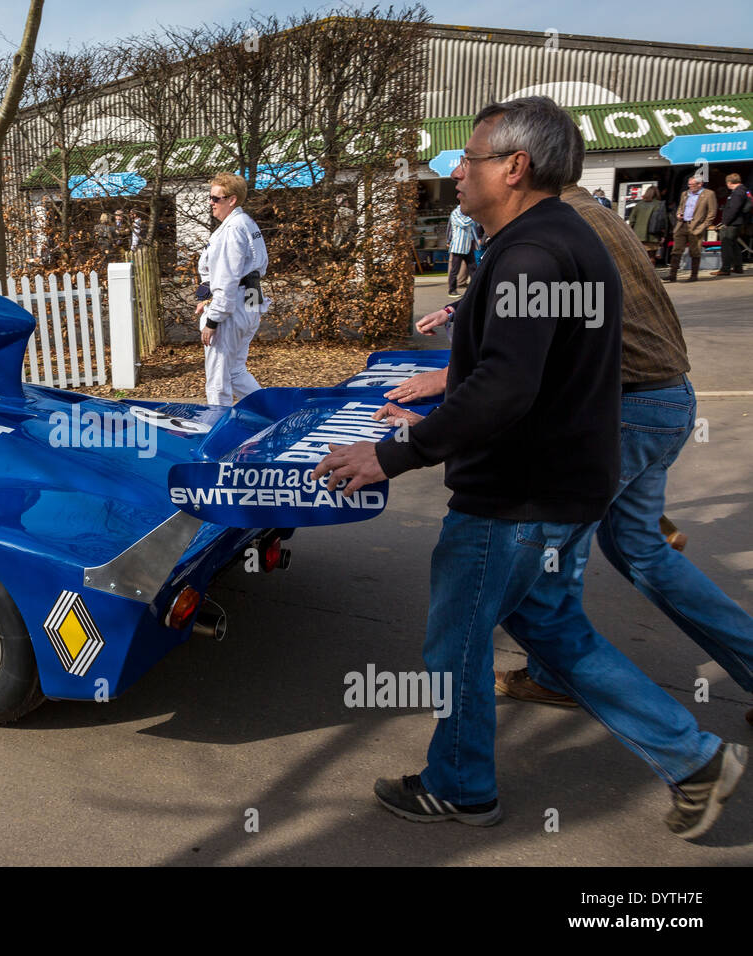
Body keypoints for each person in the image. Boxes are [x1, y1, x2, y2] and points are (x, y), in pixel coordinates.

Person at [318, 96, 745, 839]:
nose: (456, 171)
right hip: (561, 484)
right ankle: (693, 757)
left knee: (455, 639)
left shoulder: (530, 253)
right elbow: (523, 367)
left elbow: (506, 386)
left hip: (515, 497)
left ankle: (460, 786)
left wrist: (396, 453)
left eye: (471, 158)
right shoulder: (557, 239)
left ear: (514, 167)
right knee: (553, 627)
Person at [197, 172, 269, 406]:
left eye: (216, 198)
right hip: (249, 302)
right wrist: (205, 296)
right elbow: (251, 271)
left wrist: (213, 321)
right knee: (235, 371)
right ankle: (271, 413)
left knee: (217, 379)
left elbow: (227, 281)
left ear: (232, 200)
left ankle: (218, 428)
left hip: (232, 308)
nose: (211, 203)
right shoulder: (246, 224)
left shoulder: (232, 230)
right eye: (210, 198)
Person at [666, 174, 716, 283]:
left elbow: (712, 213)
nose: (690, 187)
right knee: (676, 250)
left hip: (696, 227)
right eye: (689, 185)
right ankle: (672, 275)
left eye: (692, 185)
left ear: (700, 184)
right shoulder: (685, 194)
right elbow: (680, 207)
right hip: (682, 225)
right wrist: (679, 214)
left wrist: (703, 226)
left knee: (695, 251)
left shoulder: (708, 194)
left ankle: (694, 275)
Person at [712, 173, 749, 276]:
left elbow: (734, 209)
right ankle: (738, 267)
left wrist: (725, 222)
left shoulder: (737, 193)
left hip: (732, 223)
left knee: (726, 245)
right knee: (734, 245)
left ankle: (725, 268)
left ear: (729, 183)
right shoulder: (743, 190)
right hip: (736, 222)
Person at [626, 185, 665, 263]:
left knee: (640, 257)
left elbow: (632, 220)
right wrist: (663, 235)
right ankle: (651, 274)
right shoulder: (659, 204)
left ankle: (640, 274)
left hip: (638, 235)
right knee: (651, 257)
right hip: (653, 236)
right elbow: (663, 221)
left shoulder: (639, 204)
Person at [446, 204, 476, 296]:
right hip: (458, 246)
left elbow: (475, 225)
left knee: (473, 269)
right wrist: (473, 218)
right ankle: (452, 290)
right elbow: (463, 223)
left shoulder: (468, 213)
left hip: (468, 245)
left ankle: (476, 289)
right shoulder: (455, 213)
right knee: (455, 270)